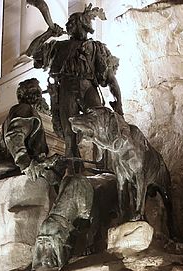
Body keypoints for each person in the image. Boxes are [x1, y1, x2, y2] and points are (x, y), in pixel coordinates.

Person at [25, 2, 123, 160]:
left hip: (89, 86)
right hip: (66, 89)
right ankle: (74, 172)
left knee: (100, 127)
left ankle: (104, 167)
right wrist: (49, 33)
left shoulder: (96, 47)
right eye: (68, 23)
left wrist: (119, 104)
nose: (67, 25)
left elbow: (110, 78)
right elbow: (32, 52)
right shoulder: (57, 47)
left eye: (71, 22)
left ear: (82, 24)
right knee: (69, 135)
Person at [0, 78, 54, 221]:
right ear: (24, 96)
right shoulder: (24, 109)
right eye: (33, 92)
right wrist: (25, 163)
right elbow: (14, 135)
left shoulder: (30, 112)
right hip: (18, 170)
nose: (38, 96)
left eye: (38, 92)